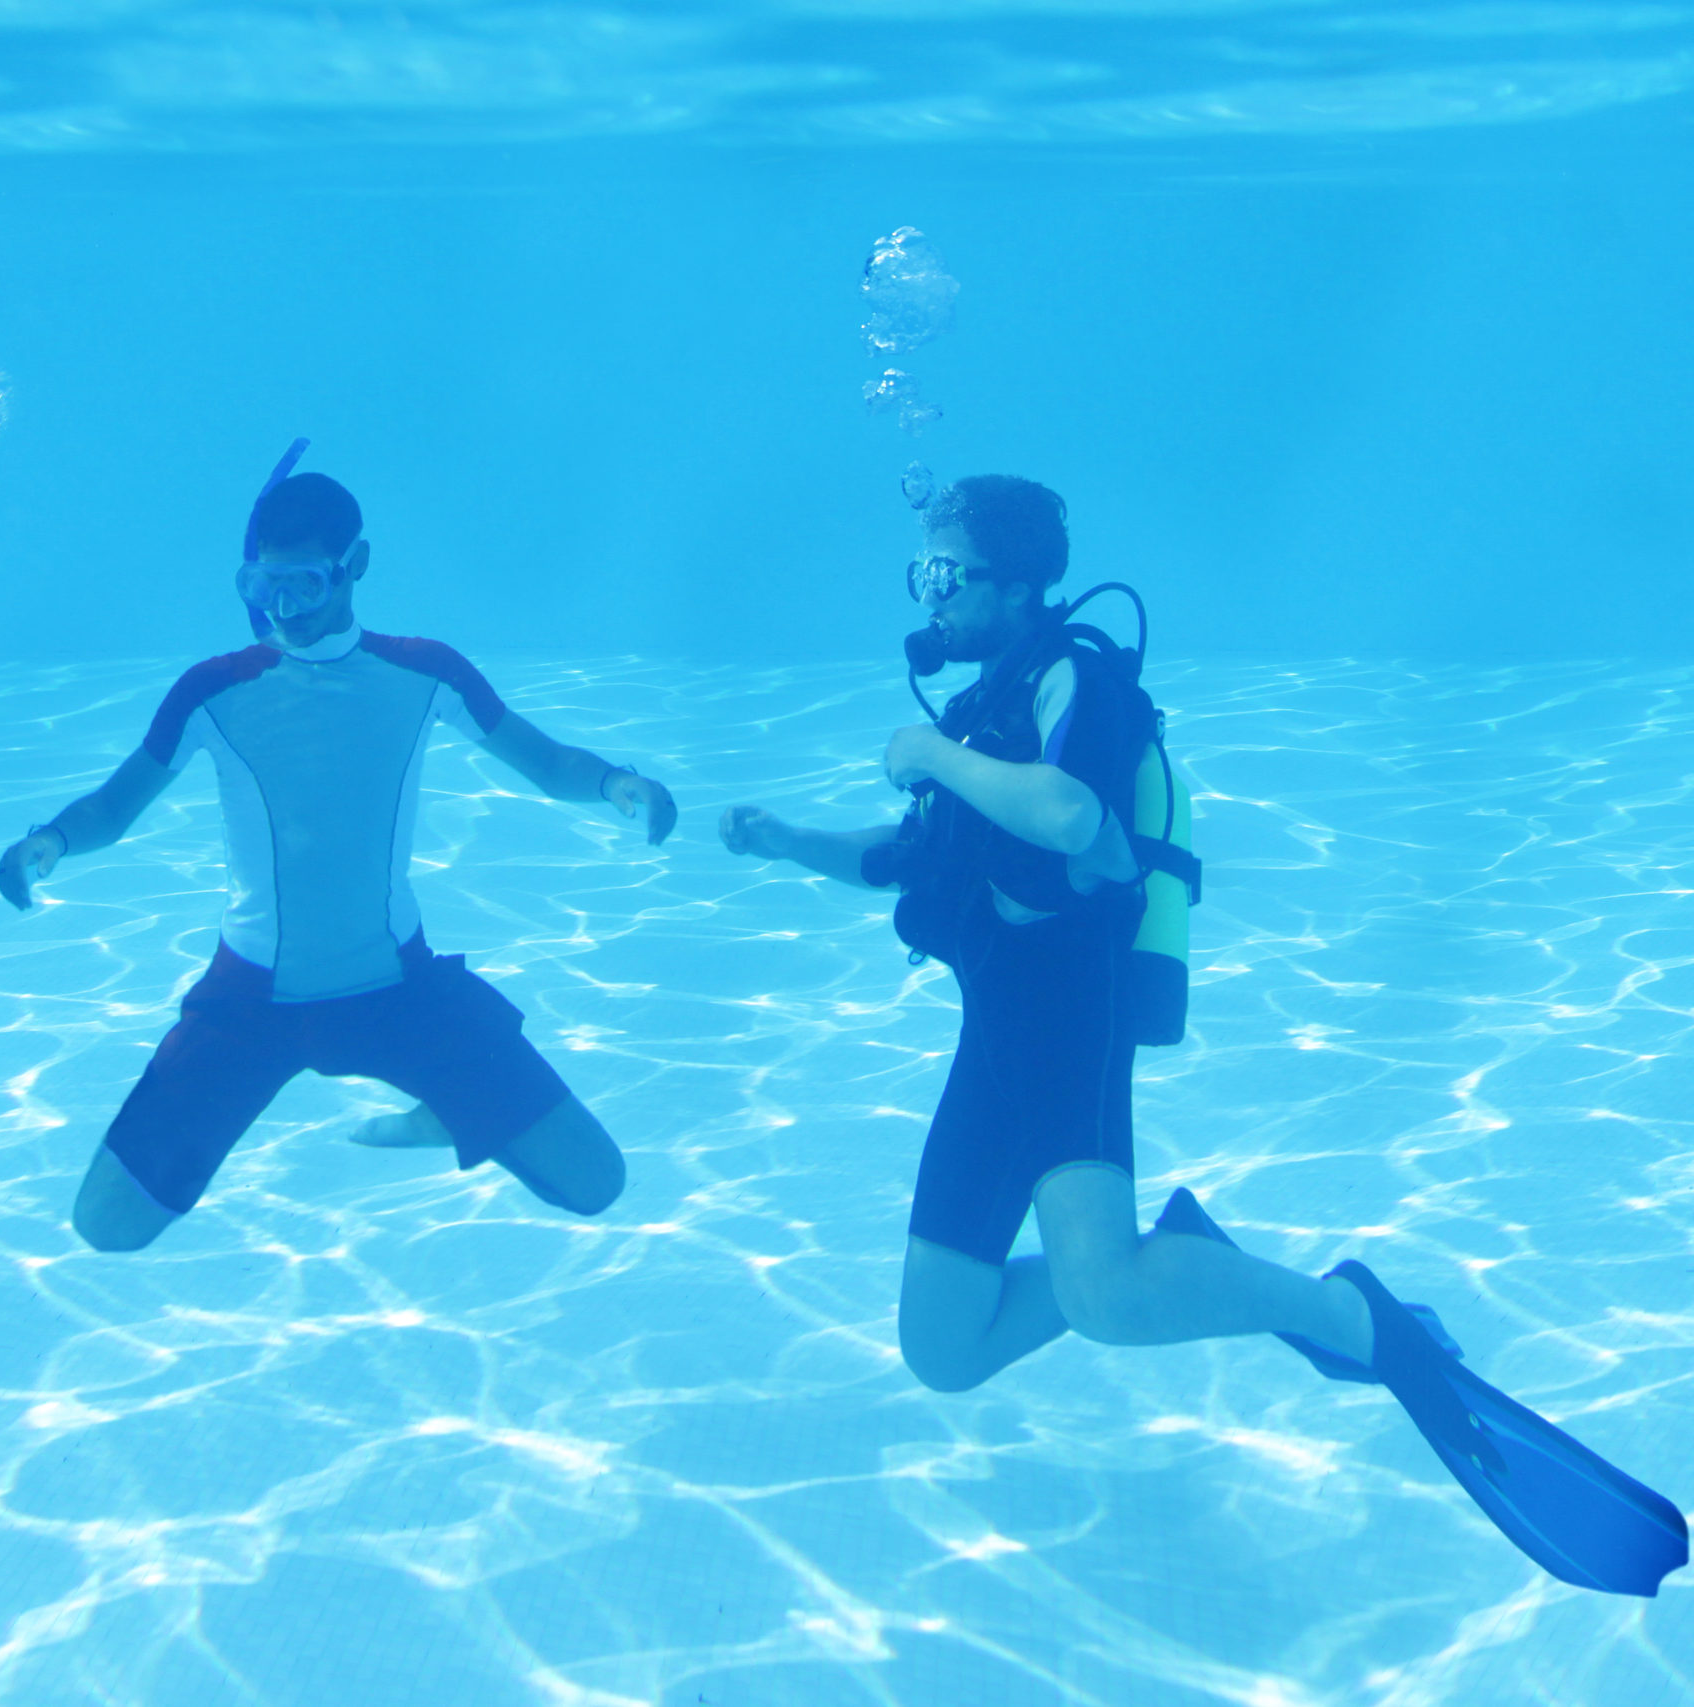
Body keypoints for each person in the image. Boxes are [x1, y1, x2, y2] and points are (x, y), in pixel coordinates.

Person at [718, 474, 1686, 1595]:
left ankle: (1347, 1316)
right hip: (991, 1032)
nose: (928, 594)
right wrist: (789, 840)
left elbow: (1075, 818)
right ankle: (1191, 1267)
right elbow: (910, 860)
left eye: (947, 573)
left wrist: (929, 756)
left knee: (1103, 1298)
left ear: (1019, 581)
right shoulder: (984, 714)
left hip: (1063, 1018)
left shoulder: (1079, 685)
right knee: (943, 1348)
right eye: (921, 574)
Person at [0, 462, 673, 1251]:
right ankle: (449, 1100)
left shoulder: (424, 672)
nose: (283, 609)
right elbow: (114, 806)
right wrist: (47, 842)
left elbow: (549, 763)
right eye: (265, 585)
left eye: (306, 584)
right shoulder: (212, 689)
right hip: (249, 1003)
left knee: (597, 1180)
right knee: (105, 1225)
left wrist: (621, 786)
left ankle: (443, 1105)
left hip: (401, 987)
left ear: (356, 564)